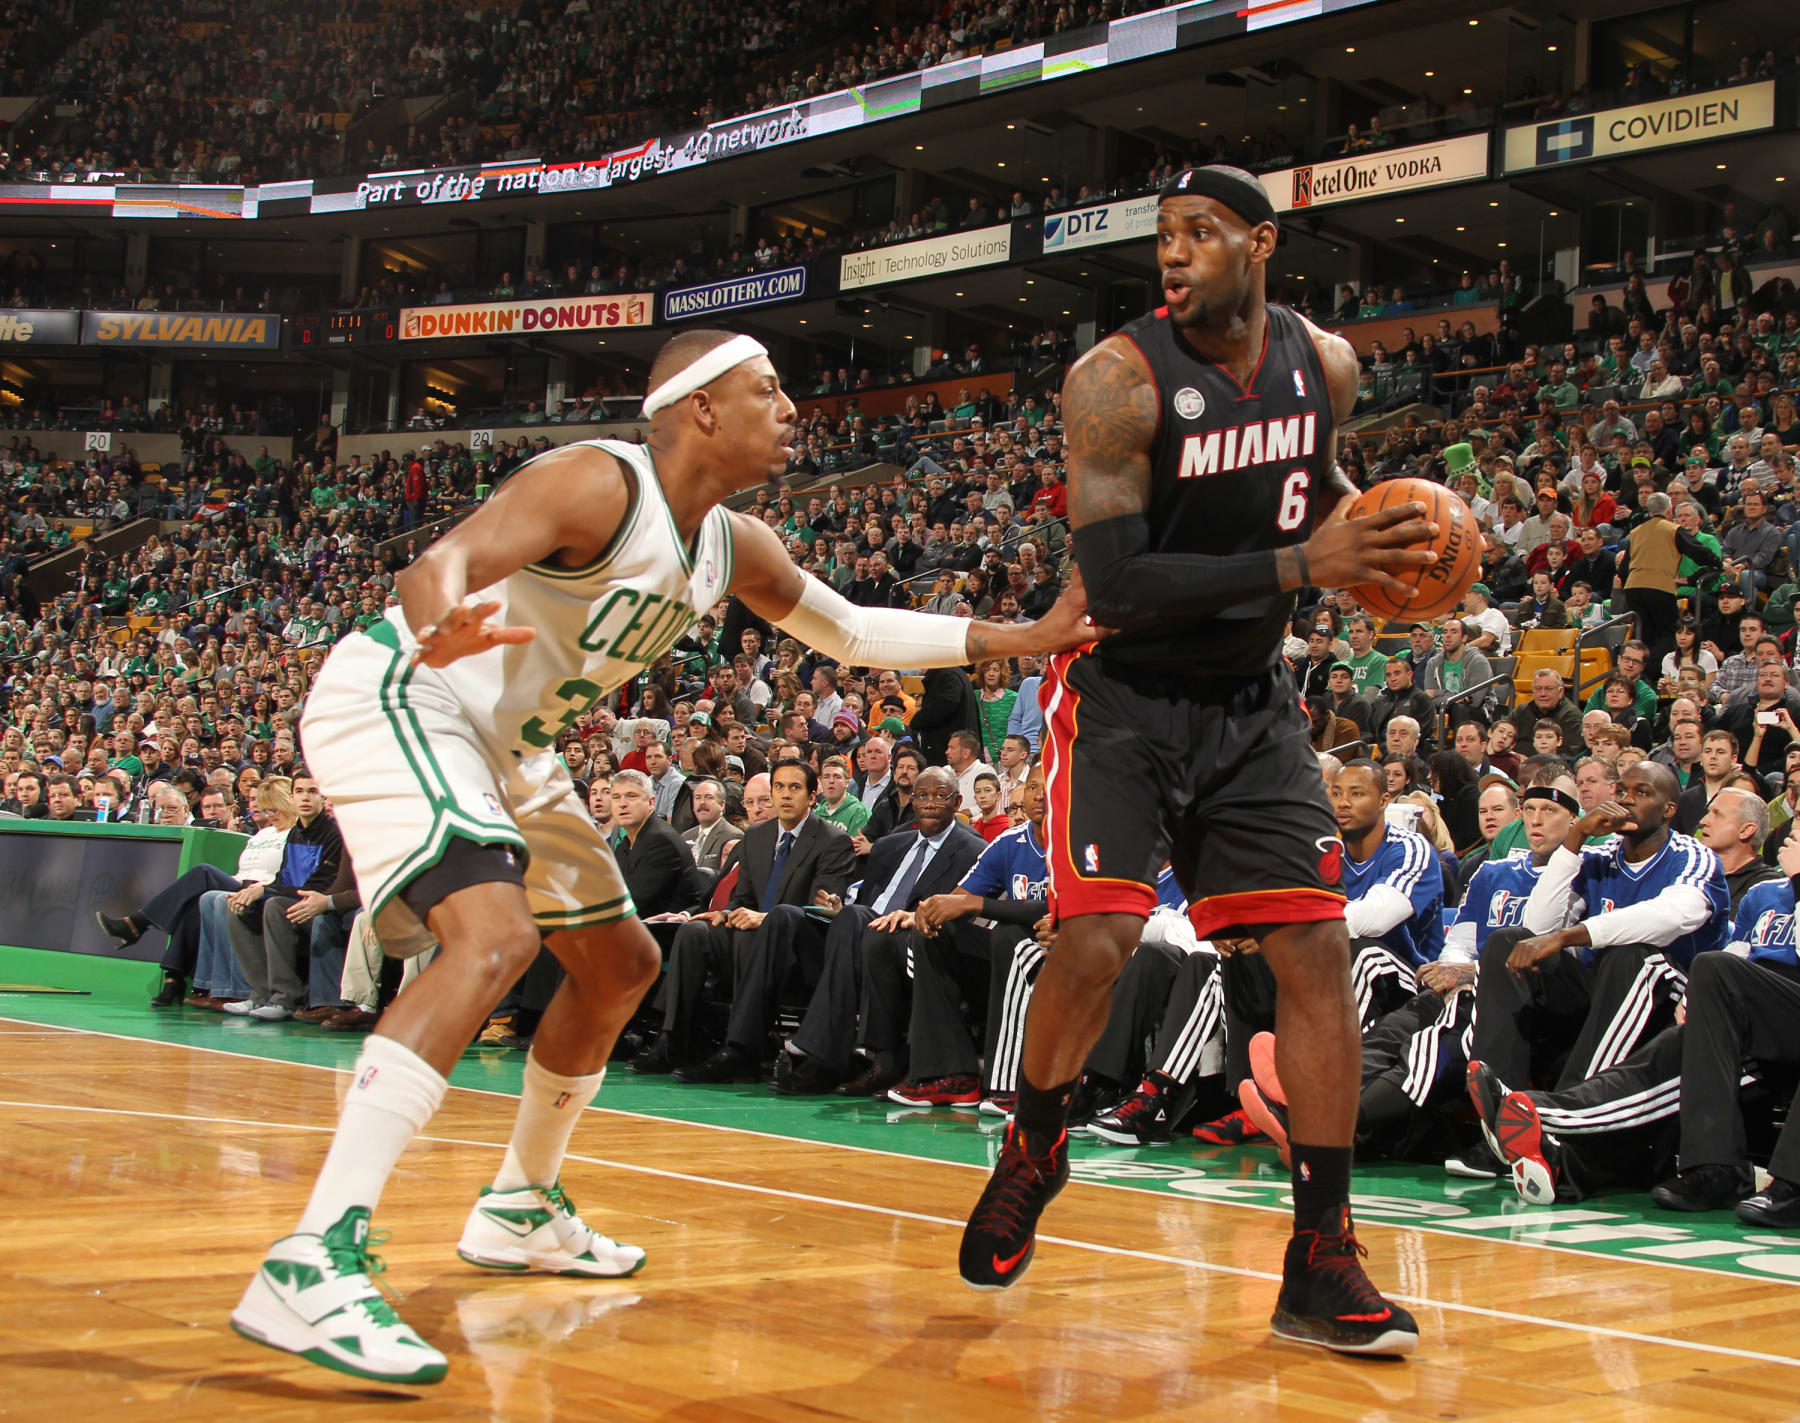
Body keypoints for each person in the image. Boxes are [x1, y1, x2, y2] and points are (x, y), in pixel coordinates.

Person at [244, 328, 1096, 1383]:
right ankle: (311, 1253)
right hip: (408, 693)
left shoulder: (732, 542)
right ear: (700, 407)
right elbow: (443, 561)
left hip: (514, 744)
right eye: (768, 389)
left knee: (621, 964)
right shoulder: (598, 481)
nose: (793, 409)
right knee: (494, 939)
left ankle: (520, 1204)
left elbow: (853, 632)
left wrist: (1026, 636)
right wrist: (445, 617)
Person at [959, 166, 1432, 1354]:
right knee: (1100, 938)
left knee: (1317, 950)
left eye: (1201, 234)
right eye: (1164, 235)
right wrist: (1301, 568)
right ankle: (1036, 1141)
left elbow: (1314, 492)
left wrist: (1383, 547)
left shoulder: (1324, 364)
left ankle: (1322, 1254)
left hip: (1251, 704)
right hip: (1123, 700)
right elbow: (1114, 585)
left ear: (1260, 244)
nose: (1173, 254)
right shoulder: (1114, 380)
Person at [1460, 763, 1729, 1177]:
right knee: (1508, 942)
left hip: (1670, 1002)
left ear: (1670, 808)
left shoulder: (1693, 857)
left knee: (1631, 955)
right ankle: (1499, 1122)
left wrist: (1571, 937)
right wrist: (1576, 837)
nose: (1626, 800)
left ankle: (1554, 1123)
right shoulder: (1598, 856)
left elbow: (1670, 916)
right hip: (1598, 993)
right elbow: (1540, 926)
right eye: (1622, 790)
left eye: (1642, 793)